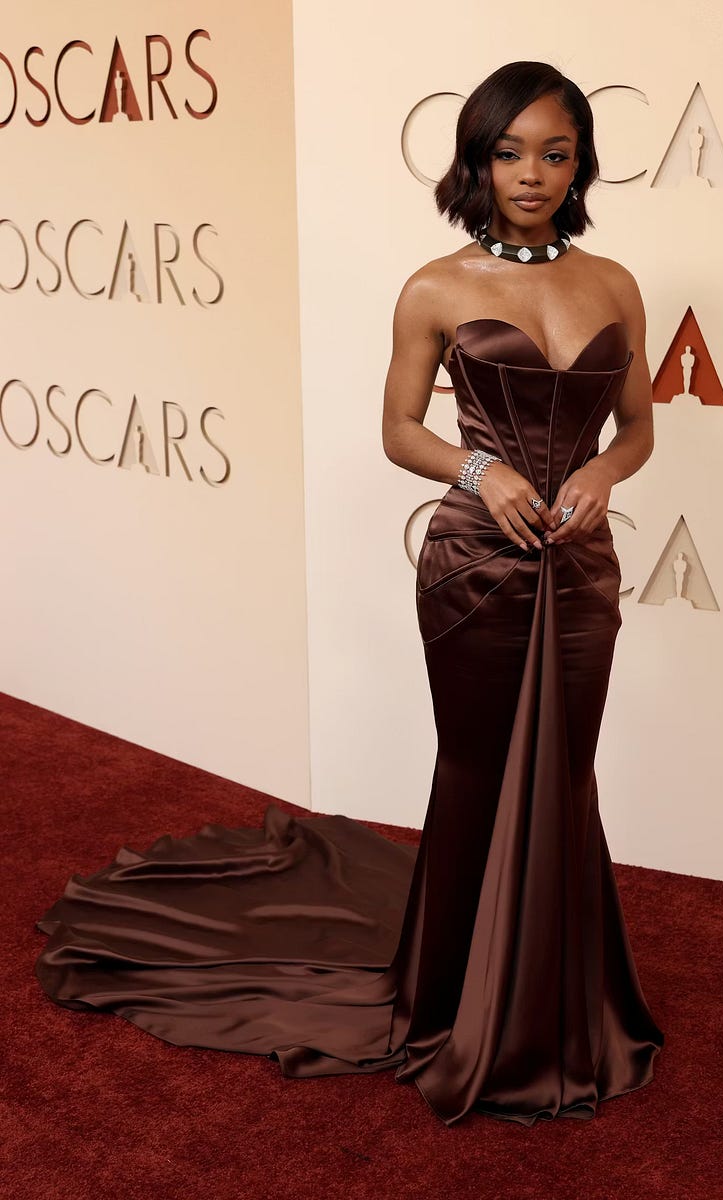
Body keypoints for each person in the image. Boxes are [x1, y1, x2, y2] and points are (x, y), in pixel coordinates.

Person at [34, 60, 664, 1128]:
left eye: (554, 154)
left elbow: (638, 426)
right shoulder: (435, 287)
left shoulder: (613, 285)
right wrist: (482, 470)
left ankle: (563, 1005)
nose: (531, 174)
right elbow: (399, 430)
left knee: (565, 772)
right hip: (477, 567)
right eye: (508, 152)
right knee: (476, 770)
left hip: (579, 569)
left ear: (579, 165)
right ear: (475, 162)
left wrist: (602, 472)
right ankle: (452, 1000)